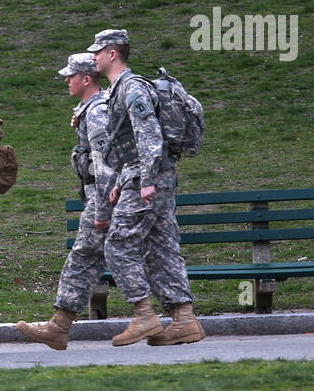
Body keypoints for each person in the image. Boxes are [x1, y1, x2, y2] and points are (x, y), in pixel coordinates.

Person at [89, 28, 204, 345]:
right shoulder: (120, 90)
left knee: (117, 244)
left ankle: (144, 315)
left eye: (97, 51)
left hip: (148, 178)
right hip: (142, 175)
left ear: (113, 54)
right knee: (161, 249)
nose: (93, 57)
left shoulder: (132, 88)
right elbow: (127, 143)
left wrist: (146, 181)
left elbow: (149, 136)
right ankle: (184, 319)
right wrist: (120, 179)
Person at [17, 53, 114, 349]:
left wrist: (102, 209)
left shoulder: (97, 111)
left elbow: (104, 164)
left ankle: (59, 326)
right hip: (105, 196)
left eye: (70, 76)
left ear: (86, 79)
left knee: (84, 256)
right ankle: (175, 316)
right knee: (138, 257)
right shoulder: (91, 109)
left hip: (104, 196)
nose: (65, 80)